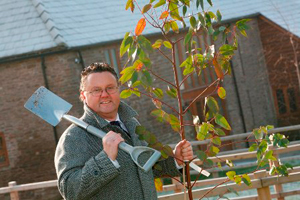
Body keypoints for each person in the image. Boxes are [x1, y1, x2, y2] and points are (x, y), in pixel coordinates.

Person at [54, 62, 193, 200]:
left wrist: (175, 160)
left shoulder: (131, 123)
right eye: (96, 90)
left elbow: (145, 165)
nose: (105, 95)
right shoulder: (73, 137)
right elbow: (69, 191)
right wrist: (106, 159)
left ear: (118, 89)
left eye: (110, 88)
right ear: (83, 95)